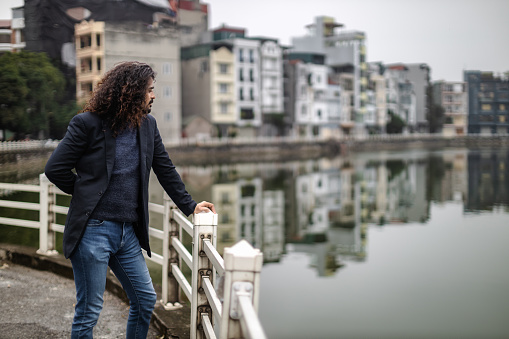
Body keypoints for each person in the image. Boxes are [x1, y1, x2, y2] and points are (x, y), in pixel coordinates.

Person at [45, 61, 215, 339]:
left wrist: (190, 206)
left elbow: (165, 168)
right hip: (93, 231)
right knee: (89, 311)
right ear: (132, 92)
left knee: (145, 299)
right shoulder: (87, 124)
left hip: (128, 233)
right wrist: (85, 191)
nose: (154, 95)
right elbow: (55, 169)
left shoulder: (147, 125)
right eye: (149, 90)